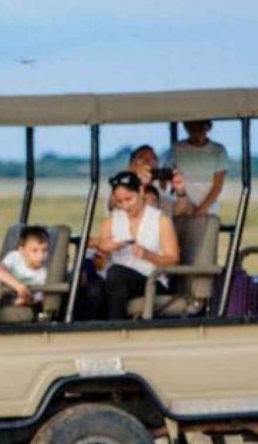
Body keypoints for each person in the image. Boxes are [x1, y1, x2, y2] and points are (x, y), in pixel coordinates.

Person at [95, 171, 180, 320]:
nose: (125, 206)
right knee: (92, 290)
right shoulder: (112, 219)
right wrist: (108, 247)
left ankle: (118, 329)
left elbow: (173, 259)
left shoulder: (160, 220)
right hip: (116, 280)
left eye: (129, 199)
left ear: (140, 191)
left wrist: (148, 255)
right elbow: (102, 247)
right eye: (119, 202)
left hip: (150, 280)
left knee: (116, 274)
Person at [171, 119, 227, 218]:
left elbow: (218, 185)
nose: (196, 133)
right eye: (192, 129)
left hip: (209, 210)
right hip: (182, 207)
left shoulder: (218, 150)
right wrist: (186, 206)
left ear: (208, 128)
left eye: (200, 129)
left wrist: (201, 210)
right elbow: (173, 177)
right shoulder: (177, 148)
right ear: (187, 128)